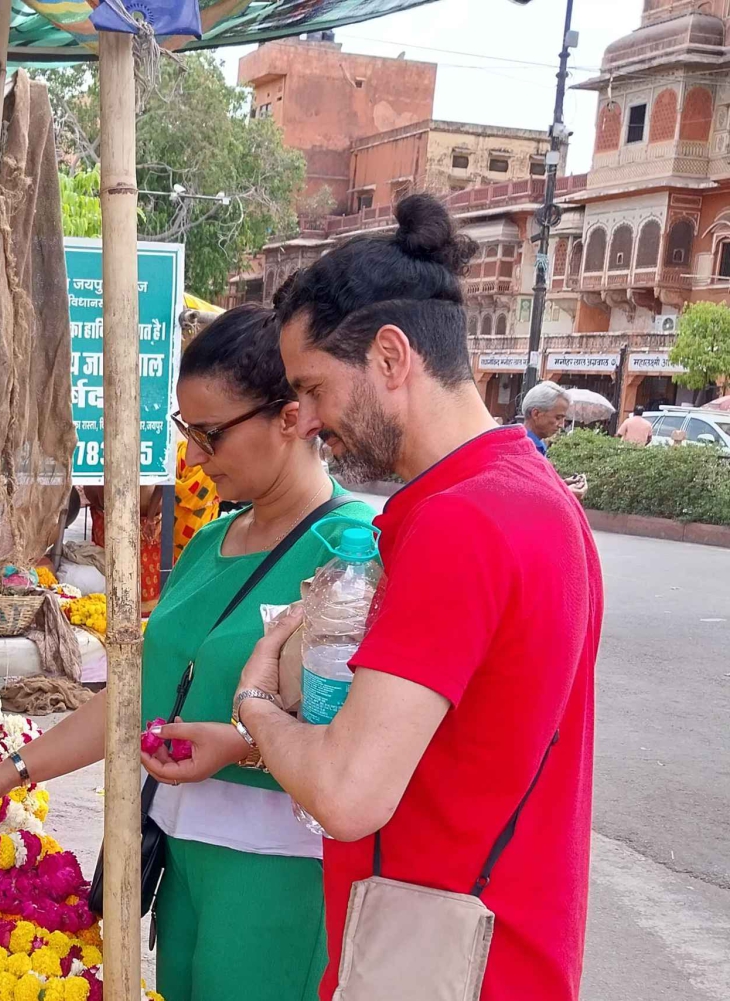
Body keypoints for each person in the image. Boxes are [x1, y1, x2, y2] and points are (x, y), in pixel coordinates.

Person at [144, 195, 601, 1001]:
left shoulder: (463, 523)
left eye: (315, 388)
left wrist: (255, 700)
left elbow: (348, 793)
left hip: (440, 952)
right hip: (483, 943)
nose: (310, 421)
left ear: (391, 358)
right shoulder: (527, 495)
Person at [0, 305, 376, 1001]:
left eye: (211, 434)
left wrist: (243, 744)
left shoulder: (352, 556)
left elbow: (362, 739)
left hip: (279, 872)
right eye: (188, 432)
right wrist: (15, 767)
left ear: (292, 417)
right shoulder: (211, 542)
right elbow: (139, 692)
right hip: (178, 857)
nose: (197, 457)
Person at [520, 380, 570, 455]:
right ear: (536, 414)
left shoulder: (538, 445)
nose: (561, 425)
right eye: (558, 418)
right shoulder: (521, 449)